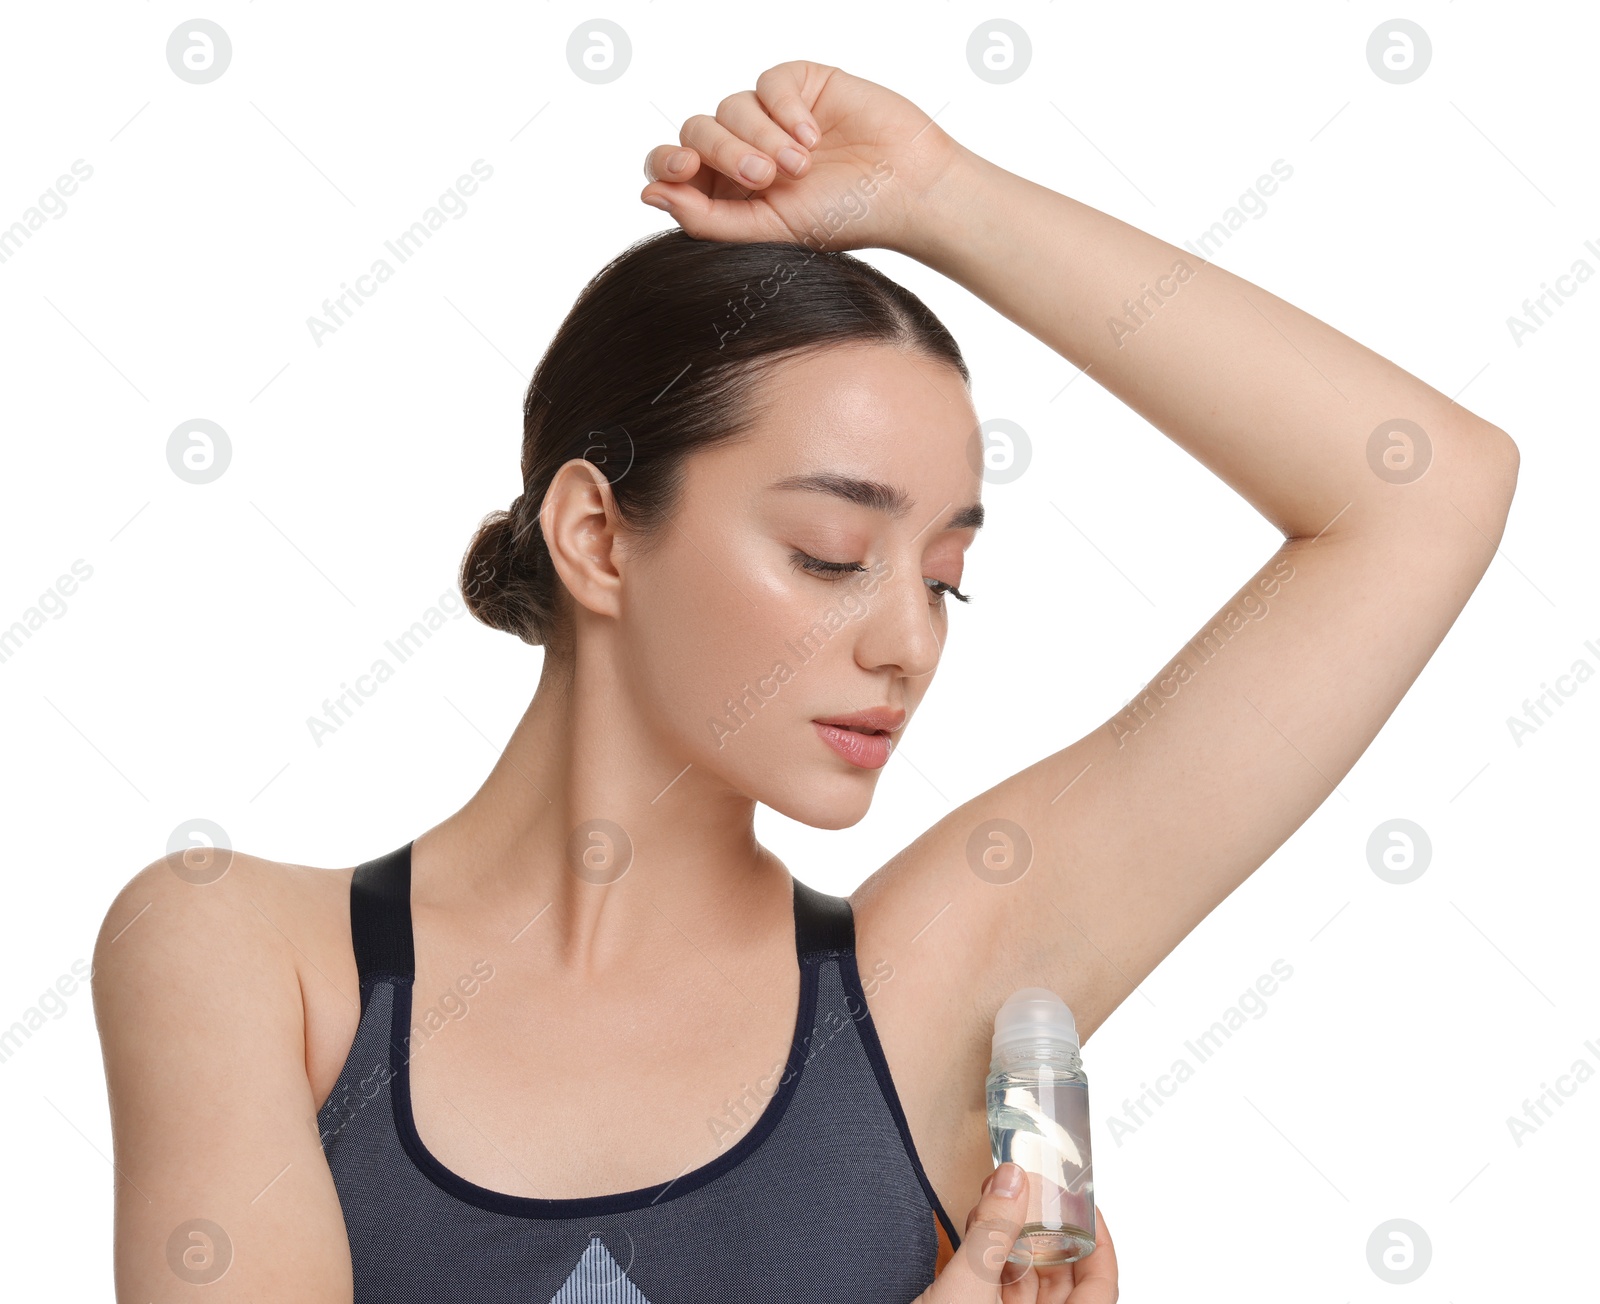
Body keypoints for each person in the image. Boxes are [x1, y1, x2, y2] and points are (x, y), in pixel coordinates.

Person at [92, 59, 1516, 1302]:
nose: (911, 640)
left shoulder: (938, 981)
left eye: (946, 575)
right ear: (597, 535)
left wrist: (942, 196)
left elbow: (1424, 489)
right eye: (832, 552)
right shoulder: (242, 958)